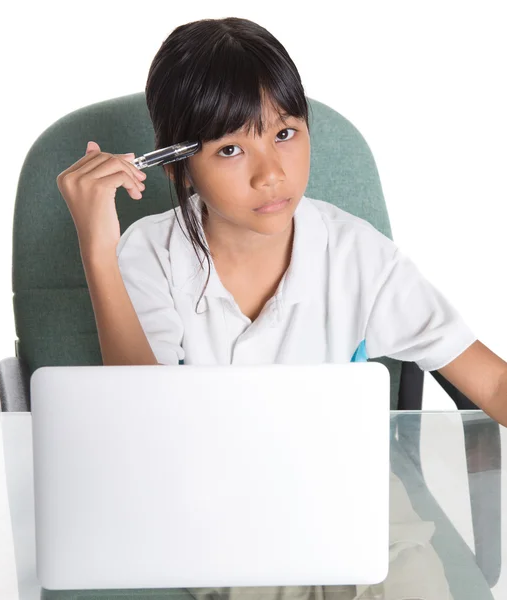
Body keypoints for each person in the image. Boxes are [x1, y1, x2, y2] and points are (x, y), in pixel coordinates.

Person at [56, 16, 506, 598]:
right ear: (178, 164)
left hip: (358, 513)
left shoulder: (355, 252)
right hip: (215, 522)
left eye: (286, 133)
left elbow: (491, 383)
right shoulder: (152, 255)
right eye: (231, 148)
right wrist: (97, 243)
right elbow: (139, 423)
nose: (271, 174)